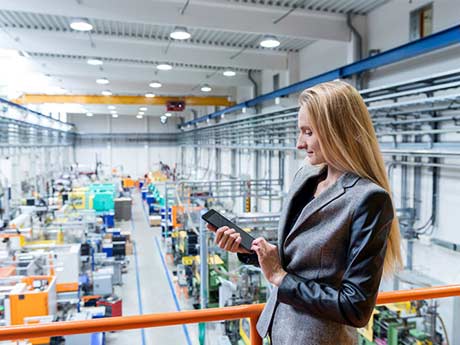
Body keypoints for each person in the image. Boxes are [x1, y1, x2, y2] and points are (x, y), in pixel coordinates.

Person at [206, 80, 402, 345]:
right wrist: (252, 252)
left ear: (337, 131)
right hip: (278, 331)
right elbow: (301, 260)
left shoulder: (368, 200)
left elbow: (355, 307)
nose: (300, 143)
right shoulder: (305, 178)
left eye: (308, 132)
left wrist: (280, 277)